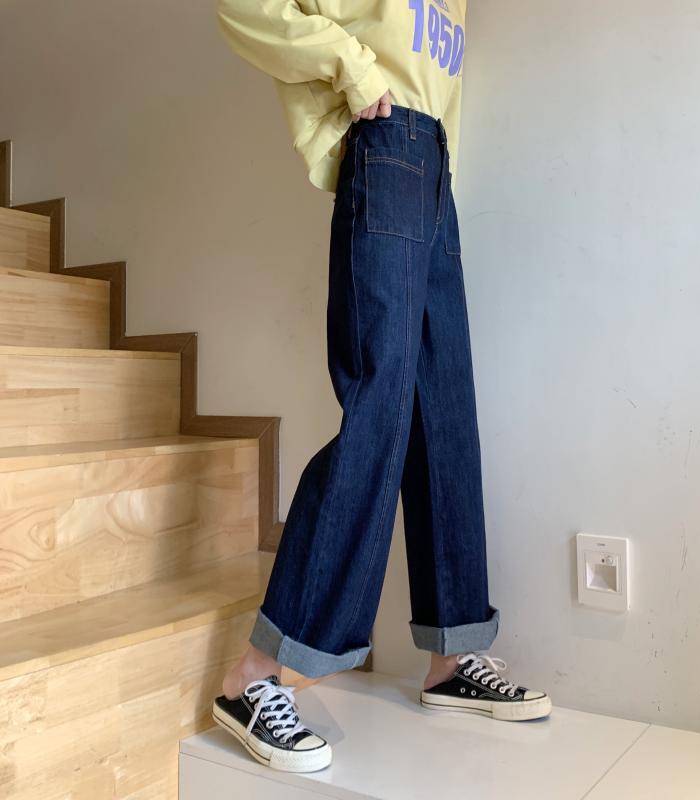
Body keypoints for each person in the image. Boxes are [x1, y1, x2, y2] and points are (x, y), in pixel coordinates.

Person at [211, 0, 551, 774]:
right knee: (381, 412)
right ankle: (252, 676)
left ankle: (451, 657)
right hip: (387, 152)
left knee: (445, 415)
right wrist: (356, 73)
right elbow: (244, 10)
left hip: (433, 177)